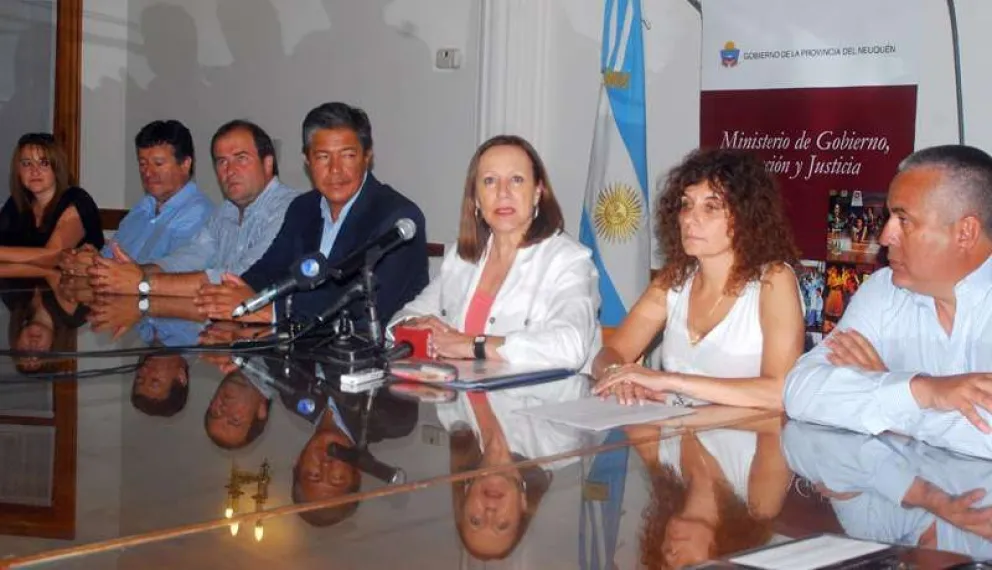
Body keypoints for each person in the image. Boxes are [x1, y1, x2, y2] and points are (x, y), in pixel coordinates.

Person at [784, 145, 992, 460]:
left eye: (903, 220)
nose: (884, 237)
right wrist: (920, 390)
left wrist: (888, 390)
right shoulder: (885, 290)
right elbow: (800, 392)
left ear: (965, 232)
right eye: (889, 217)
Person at [591, 148, 804, 409]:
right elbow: (610, 353)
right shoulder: (674, 279)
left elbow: (780, 392)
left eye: (711, 207)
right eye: (686, 205)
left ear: (747, 217)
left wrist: (670, 382)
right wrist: (618, 376)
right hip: (677, 431)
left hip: (747, 433)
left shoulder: (775, 280)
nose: (691, 219)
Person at [194, 102, 428, 327]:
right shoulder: (303, 208)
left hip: (373, 349)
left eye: (347, 155)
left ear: (367, 157)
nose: (335, 169)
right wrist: (237, 290)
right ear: (307, 161)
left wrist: (272, 312)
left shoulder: (398, 217)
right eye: (323, 157)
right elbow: (268, 270)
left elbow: (367, 305)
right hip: (301, 345)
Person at [388, 134, 600, 373]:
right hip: (462, 393)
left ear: (537, 192)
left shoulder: (568, 260)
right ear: (476, 199)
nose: (503, 192)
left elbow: (570, 347)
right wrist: (415, 325)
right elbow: (403, 317)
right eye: (490, 181)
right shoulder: (461, 257)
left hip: (542, 395)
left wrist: (473, 345)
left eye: (516, 180)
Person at [86, 120, 299, 296]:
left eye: (241, 158)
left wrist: (143, 283)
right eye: (221, 162)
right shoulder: (225, 212)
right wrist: (133, 273)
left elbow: (242, 278)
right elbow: (188, 258)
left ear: (268, 163)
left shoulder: (292, 209)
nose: (230, 170)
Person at [629, 418, 791, 569]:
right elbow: (781, 422)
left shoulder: (661, 461)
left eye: (664, 563)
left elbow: (626, 407)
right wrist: (687, 416)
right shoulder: (760, 503)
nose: (670, 555)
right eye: (687, 567)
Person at [59, 120, 213, 274]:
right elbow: (113, 255)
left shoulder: (199, 213)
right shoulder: (143, 207)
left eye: (158, 164)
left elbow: (177, 271)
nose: (148, 173)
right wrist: (91, 259)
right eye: (143, 164)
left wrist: (111, 270)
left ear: (185, 164)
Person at [0, 133, 103, 265]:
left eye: (44, 163)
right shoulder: (17, 203)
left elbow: (54, 256)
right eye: (27, 164)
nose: (34, 171)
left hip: (73, 278)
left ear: (57, 168)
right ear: (18, 170)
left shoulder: (77, 200)